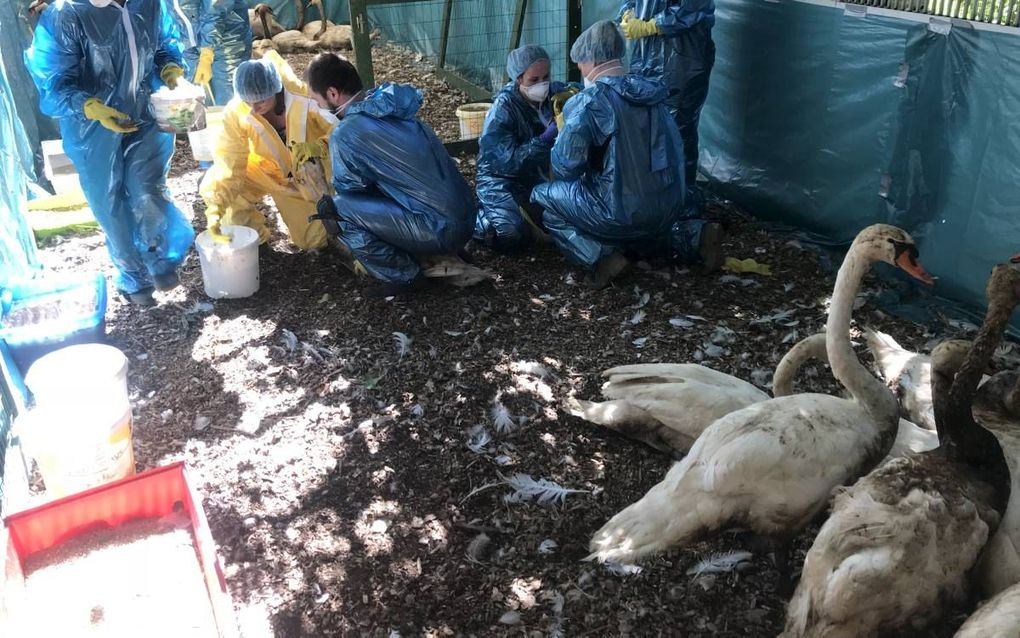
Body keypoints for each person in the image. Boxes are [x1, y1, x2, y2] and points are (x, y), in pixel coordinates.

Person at [530, 20, 723, 290]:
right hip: (670, 204)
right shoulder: (652, 92)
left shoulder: (590, 101)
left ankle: (600, 258)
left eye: (581, 63)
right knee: (644, 220)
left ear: (593, 59)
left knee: (544, 197)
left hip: (619, 212)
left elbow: (566, 168)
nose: (580, 69)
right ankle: (694, 237)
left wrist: (561, 135)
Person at [26, 0, 194, 306]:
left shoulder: (148, 3)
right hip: (91, 127)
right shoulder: (67, 15)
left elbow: (164, 42)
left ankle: (157, 258)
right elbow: (53, 81)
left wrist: (169, 67)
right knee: (109, 198)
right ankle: (134, 277)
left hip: (144, 112)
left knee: (147, 186)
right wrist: (88, 106)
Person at [305, 53, 475, 297]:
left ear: (332, 94)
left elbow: (350, 190)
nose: (318, 107)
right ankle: (444, 252)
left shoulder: (347, 133)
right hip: (467, 217)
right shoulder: (389, 106)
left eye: (316, 100)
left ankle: (404, 276)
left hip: (439, 229)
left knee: (337, 209)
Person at [199, 52, 334, 251]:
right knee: (224, 189)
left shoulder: (306, 96)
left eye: (260, 100)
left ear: (276, 89)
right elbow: (230, 162)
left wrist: (321, 145)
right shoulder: (237, 111)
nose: (254, 108)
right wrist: (215, 206)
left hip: (312, 175)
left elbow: (342, 129)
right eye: (247, 101)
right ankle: (254, 240)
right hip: (268, 173)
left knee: (314, 241)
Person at [473, 45, 577, 253]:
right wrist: (545, 139)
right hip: (501, 177)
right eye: (534, 80)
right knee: (512, 234)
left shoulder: (554, 94)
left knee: (566, 219)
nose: (542, 84)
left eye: (545, 76)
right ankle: (480, 218)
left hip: (537, 174)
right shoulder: (502, 110)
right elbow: (506, 162)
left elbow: (577, 91)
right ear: (518, 78)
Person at [620, 0, 716, 209]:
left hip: (683, 57)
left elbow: (693, 7)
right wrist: (628, 10)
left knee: (678, 129)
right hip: (645, 53)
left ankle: (679, 202)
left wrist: (654, 25)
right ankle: (652, 198)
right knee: (645, 124)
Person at [163, 0, 252, 104]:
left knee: (228, 99)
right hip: (189, 43)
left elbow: (216, 9)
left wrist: (207, 53)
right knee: (196, 100)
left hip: (227, 41)